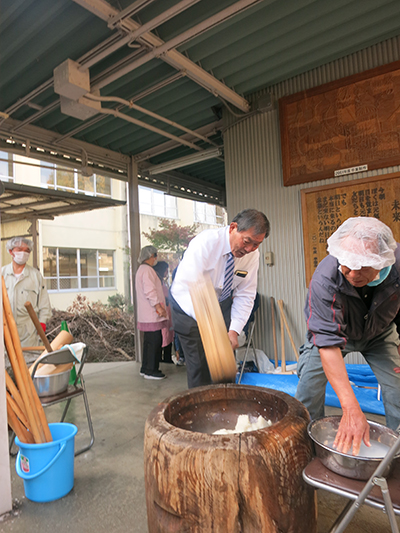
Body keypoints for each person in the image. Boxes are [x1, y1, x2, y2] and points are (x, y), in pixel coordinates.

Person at [295, 217, 400, 456]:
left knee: (397, 389)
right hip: (332, 335)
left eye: (362, 266)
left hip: (379, 333)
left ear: (381, 262)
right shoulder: (325, 279)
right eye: (347, 265)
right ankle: (305, 451)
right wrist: (351, 408)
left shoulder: (397, 264)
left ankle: (396, 457)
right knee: (308, 389)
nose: (353, 274)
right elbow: (328, 345)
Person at [170, 208, 270, 388]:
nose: (249, 249)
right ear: (233, 227)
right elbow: (191, 287)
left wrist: (233, 330)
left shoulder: (252, 255)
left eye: (256, 244)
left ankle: (226, 410)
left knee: (225, 367)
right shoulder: (205, 243)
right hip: (188, 305)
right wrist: (213, 330)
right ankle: (200, 412)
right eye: (247, 241)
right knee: (200, 368)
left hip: (220, 304)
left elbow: (246, 294)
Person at [2, 237, 52, 355]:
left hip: (28, 332)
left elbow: (44, 304)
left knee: (29, 364)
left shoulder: (35, 276)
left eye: (27, 250)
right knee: (7, 364)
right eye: (19, 249)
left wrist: (42, 323)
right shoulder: (2, 274)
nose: (23, 253)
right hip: (5, 331)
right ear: (11, 251)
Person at [135, 245, 168, 380]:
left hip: (146, 314)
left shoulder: (141, 270)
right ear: (150, 256)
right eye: (155, 255)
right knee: (155, 341)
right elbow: (150, 291)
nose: (156, 258)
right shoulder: (148, 271)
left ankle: (145, 368)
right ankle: (152, 370)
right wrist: (158, 307)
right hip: (152, 313)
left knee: (149, 341)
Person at [153, 260, 174, 364]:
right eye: (166, 270)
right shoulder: (156, 281)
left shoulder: (162, 281)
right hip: (162, 312)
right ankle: (162, 357)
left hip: (168, 312)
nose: (167, 273)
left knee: (169, 334)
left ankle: (167, 357)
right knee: (164, 335)